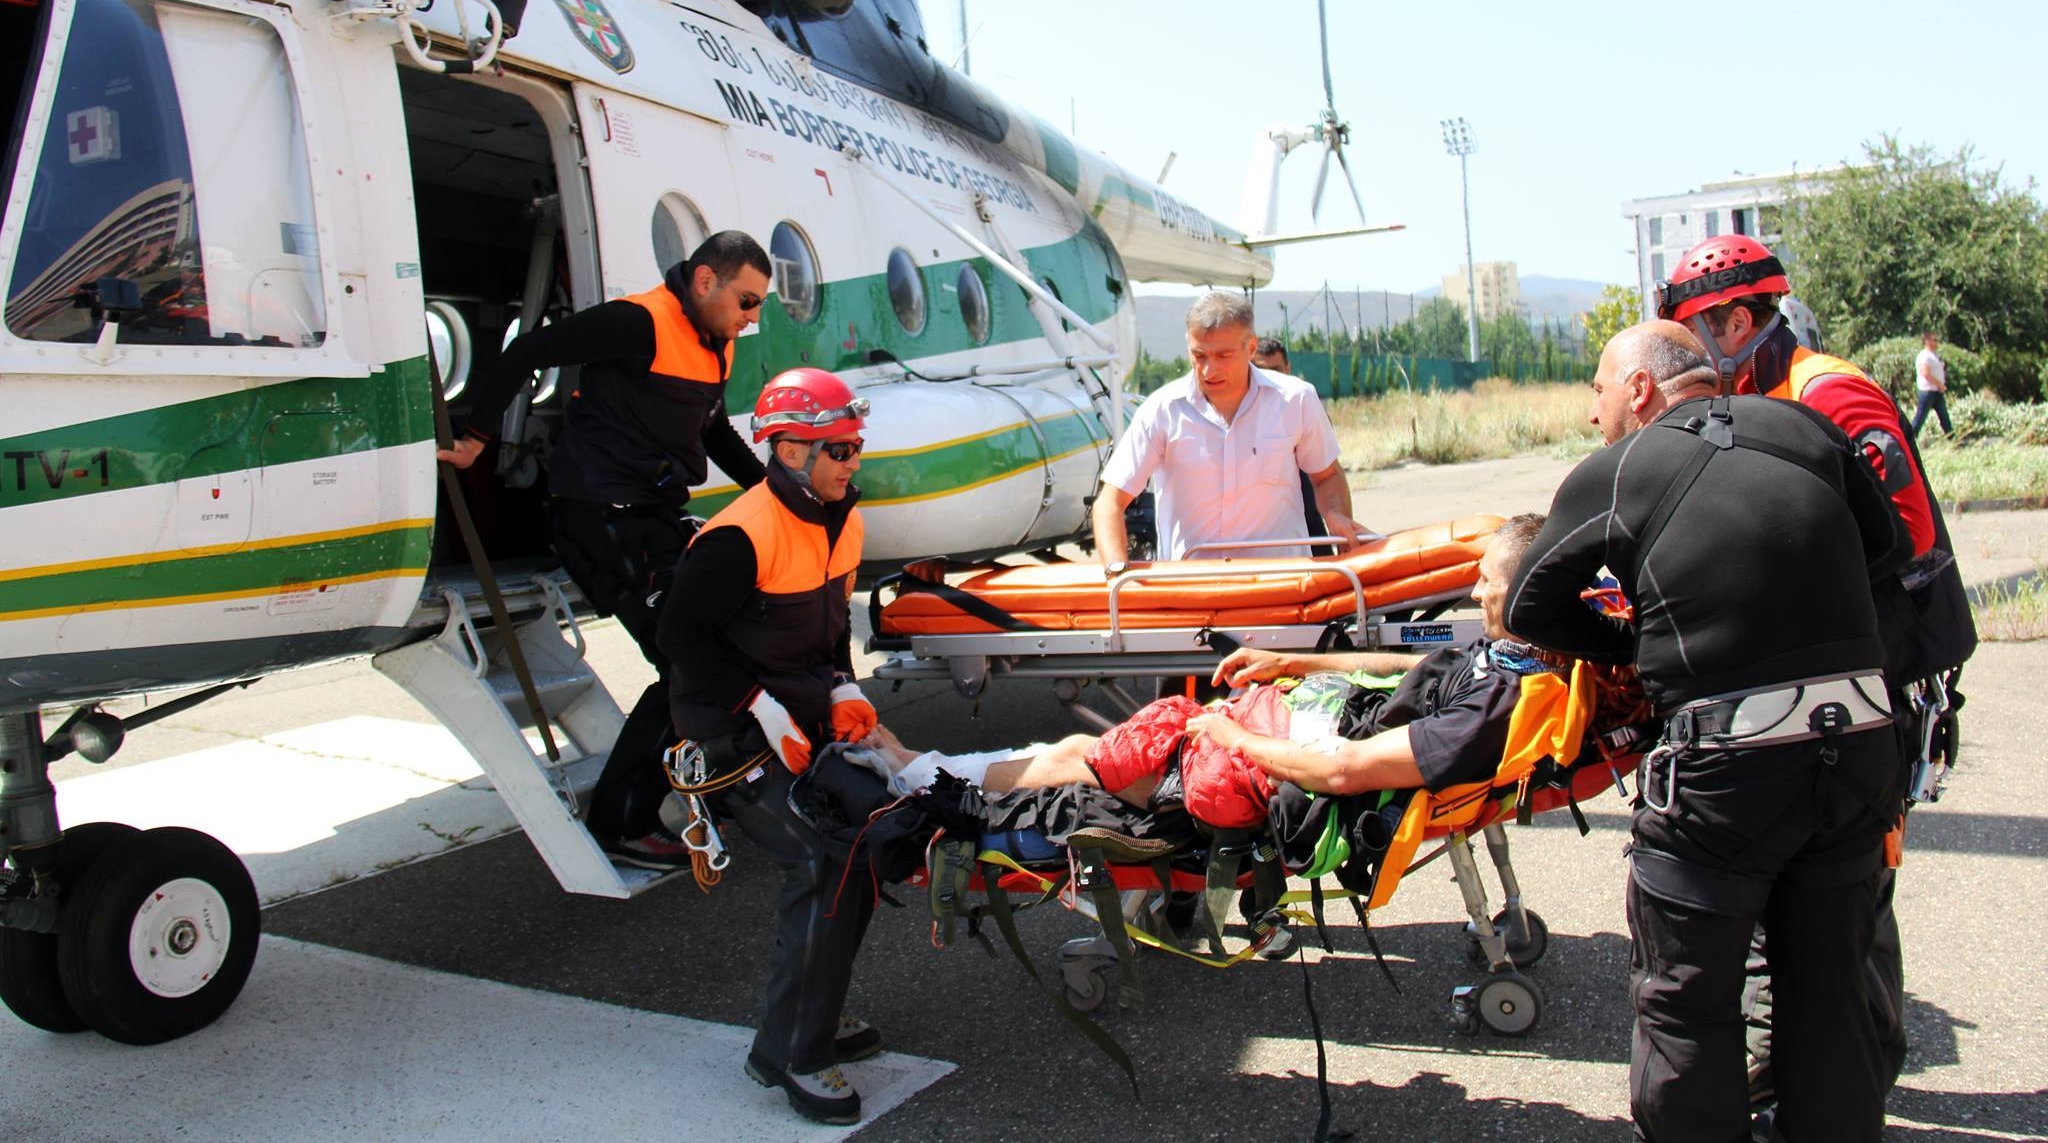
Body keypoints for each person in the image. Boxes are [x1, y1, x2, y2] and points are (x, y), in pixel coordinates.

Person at [1506, 322, 1912, 1143]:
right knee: (1831, 995)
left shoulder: (1620, 468)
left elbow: (1526, 605)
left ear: (1640, 389)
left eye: (1598, 390)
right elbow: (1886, 546)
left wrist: (1637, 643)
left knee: (1686, 1002)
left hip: (1726, 766)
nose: (1593, 413)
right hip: (1859, 747)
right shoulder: (1807, 427)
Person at [1656, 234, 1977, 1104]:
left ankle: (1853, 1083)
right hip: (1826, 682)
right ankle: (1815, 1082)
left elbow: (1905, 536)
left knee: (1851, 895)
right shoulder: (1757, 397)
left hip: (1879, 676)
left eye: (1695, 335)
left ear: (1737, 321)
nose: (1692, 356)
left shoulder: (1827, 391)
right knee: (1810, 894)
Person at [438, 230, 772, 869]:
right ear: (706, 281)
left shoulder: (715, 345)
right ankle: (621, 822)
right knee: (690, 660)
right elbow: (528, 350)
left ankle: (712, 779)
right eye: (748, 301)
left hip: (654, 517)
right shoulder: (637, 322)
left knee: (737, 637)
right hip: (600, 517)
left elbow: (713, 430)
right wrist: (478, 435)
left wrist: (776, 495)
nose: (752, 318)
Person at [873, 514, 1552, 818]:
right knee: (1097, 748)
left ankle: (915, 774)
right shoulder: (1507, 662)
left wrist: (1235, 737)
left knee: (1080, 753)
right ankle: (922, 767)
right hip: (1290, 721)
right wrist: (1293, 659)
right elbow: (1412, 664)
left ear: (1523, 593)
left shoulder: (1485, 709)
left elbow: (1345, 771)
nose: (1474, 594)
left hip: (1268, 762)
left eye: (1488, 582)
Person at [658, 367, 882, 1127]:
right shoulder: (738, 535)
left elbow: (828, 632)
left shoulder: (843, 519)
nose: (853, 462)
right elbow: (678, 639)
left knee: (867, 844)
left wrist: (842, 686)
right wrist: (758, 706)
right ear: (790, 451)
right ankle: (793, 1052)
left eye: (855, 447)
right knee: (821, 859)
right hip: (726, 731)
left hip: (794, 717)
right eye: (839, 450)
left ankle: (807, 1015)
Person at [1092, 292, 1366, 570]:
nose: (1209, 370)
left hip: (1283, 583)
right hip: (1191, 586)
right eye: (1199, 355)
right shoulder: (1161, 411)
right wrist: (1117, 571)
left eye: (1223, 356)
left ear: (1251, 347)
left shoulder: (1295, 400)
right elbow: (1109, 502)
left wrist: (1336, 516)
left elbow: (1327, 476)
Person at [1251, 337, 1331, 546]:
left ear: (1288, 368)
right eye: (1261, 370)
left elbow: (1329, 474)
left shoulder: (1303, 405)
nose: (1269, 377)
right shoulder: (1242, 416)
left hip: (1310, 518)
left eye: (1276, 370)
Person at [1911, 332, 1953, 439]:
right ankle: (1908, 439)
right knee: (1920, 417)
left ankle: (1952, 438)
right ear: (1927, 341)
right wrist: (1940, 385)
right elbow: (1926, 374)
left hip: (1936, 391)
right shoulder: (1924, 356)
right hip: (1927, 392)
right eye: (1934, 340)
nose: (1937, 342)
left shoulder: (1934, 355)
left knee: (1944, 416)